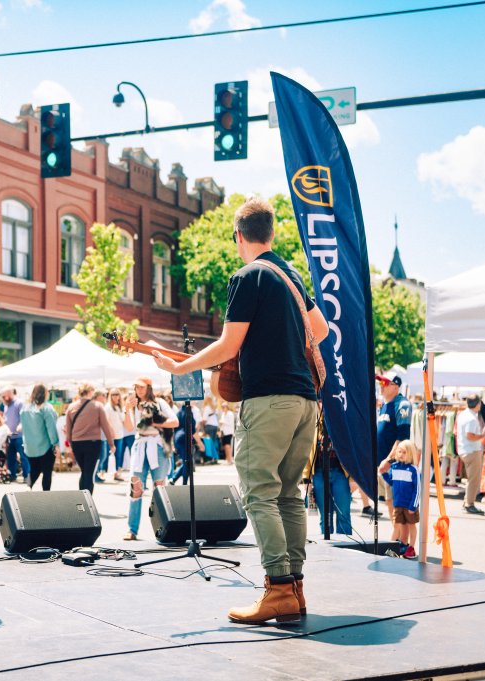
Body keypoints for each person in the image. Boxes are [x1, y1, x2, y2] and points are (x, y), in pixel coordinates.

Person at [151, 197, 329, 624]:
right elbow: (320, 330)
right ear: (270, 234)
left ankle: (278, 589)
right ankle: (295, 590)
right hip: (306, 400)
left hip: (269, 400)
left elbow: (229, 345)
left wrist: (179, 365)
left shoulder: (248, 276)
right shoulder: (290, 275)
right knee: (288, 497)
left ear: (238, 236)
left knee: (258, 494)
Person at [123, 376, 178, 540]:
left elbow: (174, 421)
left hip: (157, 446)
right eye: (136, 387)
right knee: (136, 486)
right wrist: (127, 408)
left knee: (159, 488)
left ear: (148, 387)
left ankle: (164, 528)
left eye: (141, 387)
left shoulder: (160, 402)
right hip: (140, 445)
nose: (138, 390)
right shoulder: (133, 404)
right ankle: (132, 529)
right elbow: (129, 427)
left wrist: (156, 424)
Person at [64, 384, 115, 495]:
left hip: (77, 443)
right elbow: (105, 426)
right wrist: (111, 443)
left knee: (84, 471)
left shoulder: (72, 407)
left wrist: (69, 445)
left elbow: (68, 429)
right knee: (89, 472)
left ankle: (82, 499)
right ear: (90, 392)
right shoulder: (97, 406)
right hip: (93, 443)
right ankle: (87, 501)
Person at [304, 426, 352, 538]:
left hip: (341, 473)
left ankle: (345, 547)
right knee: (325, 516)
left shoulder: (341, 420)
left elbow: (352, 449)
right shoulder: (314, 424)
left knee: (343, 513)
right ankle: (327, 547)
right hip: (319, 473)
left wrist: (354, 479)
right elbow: (306, 450)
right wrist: (307, 477)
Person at [375, 374, 411, 519]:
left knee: (399, 507)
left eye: (385, 383)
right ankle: (397, 538)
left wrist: (389, 460)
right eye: (380, 382)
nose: (381, 386)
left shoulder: (402, 404)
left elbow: (402, 438)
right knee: (390, 504)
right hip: (383, 465)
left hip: (395, 465)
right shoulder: (384, 405)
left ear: (395, 386)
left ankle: (401, 540)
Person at [379, 440, 420, 559]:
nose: (401, 454)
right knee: (397, 525)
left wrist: (413, 505)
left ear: (411, 454)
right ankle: (391, 547)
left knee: (411, 525)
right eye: (399, 451)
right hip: (398, 504)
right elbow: (392, 482)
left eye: (404, 452)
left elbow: (417, 489)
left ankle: (411, 548)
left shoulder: (413, 469)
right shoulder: (394, 467)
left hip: (410, 505)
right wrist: (384, 474)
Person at [21, 384, 60, 491]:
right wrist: (55, 444)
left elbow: (24, 427)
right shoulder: (46, 408)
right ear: (46, 393)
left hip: (30, 446)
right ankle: (46, 494)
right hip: (45, 446)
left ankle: (28, 487)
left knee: (34, 470)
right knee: (47, 473)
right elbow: (51, 428)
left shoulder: (25, 408)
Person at [457, 395, 485, 515]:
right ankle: (469, 504)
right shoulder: (471, 418)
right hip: (471, 450)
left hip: (465, 449)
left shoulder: (463, 414)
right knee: (474, 479)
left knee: (472, 478)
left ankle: (467, 502)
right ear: (477, 404)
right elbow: (469, 435)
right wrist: (482, 436)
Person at [0, 387, 27, 483]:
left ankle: (27, 476)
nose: (5, 398)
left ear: (11, 394)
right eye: (3, 396)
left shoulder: (19, 403)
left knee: (23, 456)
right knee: (11, 457)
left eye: (7, 396)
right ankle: (12, 475)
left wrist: (20, 425)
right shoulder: (6, 405)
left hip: (19, 435)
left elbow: (23, 417)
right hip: (9, 436)